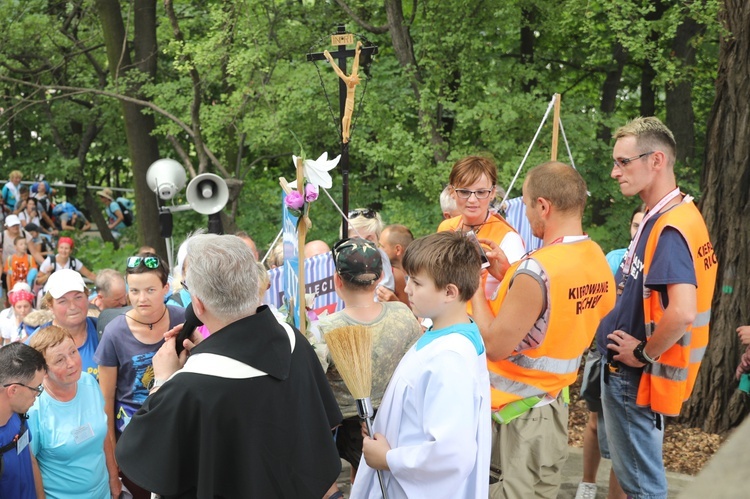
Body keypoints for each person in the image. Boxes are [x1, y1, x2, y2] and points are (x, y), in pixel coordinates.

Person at [115, 234, 342, 498]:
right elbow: (322, 426)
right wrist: (204, 353)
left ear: (197, 305)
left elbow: (139, 455)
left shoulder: (187, 387)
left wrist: (163, 382)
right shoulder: (294, 342)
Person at [469, 162, 616, 499]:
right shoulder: (595, 256)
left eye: (525, 201)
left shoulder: (536, 271)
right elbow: (575, 312)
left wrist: (474, 287)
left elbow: (494, 345)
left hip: (515, 418)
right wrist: (509, 272)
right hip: (552, 406)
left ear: (544, 206)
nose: (524, 209)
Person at [596, 117, 717, 499]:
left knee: (644, 489)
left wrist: (644, 354)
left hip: (636, 380)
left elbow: (682, 312)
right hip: (636, 379)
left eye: (623, 162)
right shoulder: (676, 214)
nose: (615, 172)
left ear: (657, 160)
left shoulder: (670, 228)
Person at [352, 231, 491, 498]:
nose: (406, 289)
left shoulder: (450, 358)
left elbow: (451, 453)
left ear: (450, 291)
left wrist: (389, 458)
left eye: (417, 282)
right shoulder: (442, 331)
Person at [314, 238, 422, 497]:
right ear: (381, 277)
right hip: (399, 420)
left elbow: (312, 384)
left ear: (337, 280)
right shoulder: (403, 314)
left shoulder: (324, 329)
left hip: (347, 428)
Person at [95, 253, 184, 499]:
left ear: (166, 288)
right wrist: (113, 461)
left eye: (150, 290)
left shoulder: (181, 318)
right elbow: (106, 402)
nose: (141, 299)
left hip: (175, 431)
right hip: (134, 440)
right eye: (134, 290)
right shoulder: (114, 333)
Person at [576, 205, 647, 499]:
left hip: (633, 362)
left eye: (643, 225)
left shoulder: (657, 261)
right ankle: (587, 484)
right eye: (634, 225)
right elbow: (596, 304)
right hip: (602, 353)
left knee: (623, 437)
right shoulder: (616, 258)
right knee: (594, 423)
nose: (637, 231)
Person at [27, 326, 120, 498]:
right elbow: (30, 464)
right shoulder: (35, 408)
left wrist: (114, 478)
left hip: (103, 493)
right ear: (43, 371)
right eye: (59, 360)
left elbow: (103, 432)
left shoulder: (89, 381)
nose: (71, 363)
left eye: (73, 352)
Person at [438, 156, 526, 313]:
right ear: (452, 192)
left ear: (492, 193)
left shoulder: (508, 238)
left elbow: (522, 294)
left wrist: (505, 274)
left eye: (481, 192)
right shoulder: (446, 227)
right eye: (464, 192)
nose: (472, 200)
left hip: (482, 327)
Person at [27, 269, 101, 377]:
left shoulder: (105, 331)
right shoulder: (36, 344)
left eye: (78, 297)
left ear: (88, 298)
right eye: (62, 301)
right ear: (50, 305)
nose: (73, 306)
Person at [0, 342, 46, 499]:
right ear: (13, 390)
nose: (38, 395)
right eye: (36, 389)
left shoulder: (18, 415)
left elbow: (30, 459)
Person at [346, 208, 396, 301]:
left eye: (369, 239)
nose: (364, 245)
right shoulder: (335, 265)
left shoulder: (384, 260)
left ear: (378, 240)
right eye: (356, 239)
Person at [376, 224, 413, 306]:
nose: (378, 250)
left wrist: (396, 303)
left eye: (381, 246)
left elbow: (419, 317)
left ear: (398, 249)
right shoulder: (380, 274)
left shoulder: (419, 277)